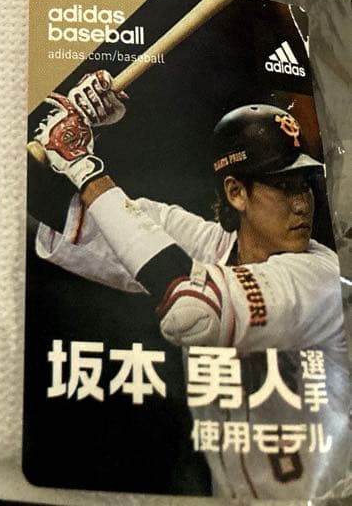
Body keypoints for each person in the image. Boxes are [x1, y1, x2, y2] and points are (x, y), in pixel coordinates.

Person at [34, 70, 351, 500]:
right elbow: (48, 207)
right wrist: (70, 129)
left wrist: (85, 168)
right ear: (236, 192)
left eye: (305, 185)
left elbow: (192, 313)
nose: (302, 204)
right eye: (283, 186)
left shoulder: (319, 275)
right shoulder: (207, 244)